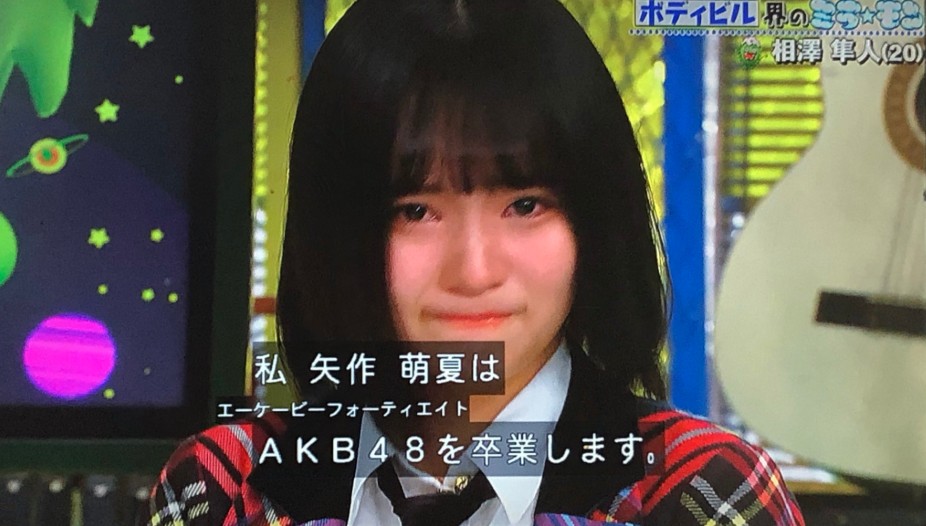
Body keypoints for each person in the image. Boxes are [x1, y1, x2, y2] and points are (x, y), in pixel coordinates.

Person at [145, 0, 806, 524]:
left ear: (594, 220)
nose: (474, 270)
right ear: (337, 229)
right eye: (414, 210)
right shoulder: (224, 490)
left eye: (525, 205)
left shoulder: (701, 492)